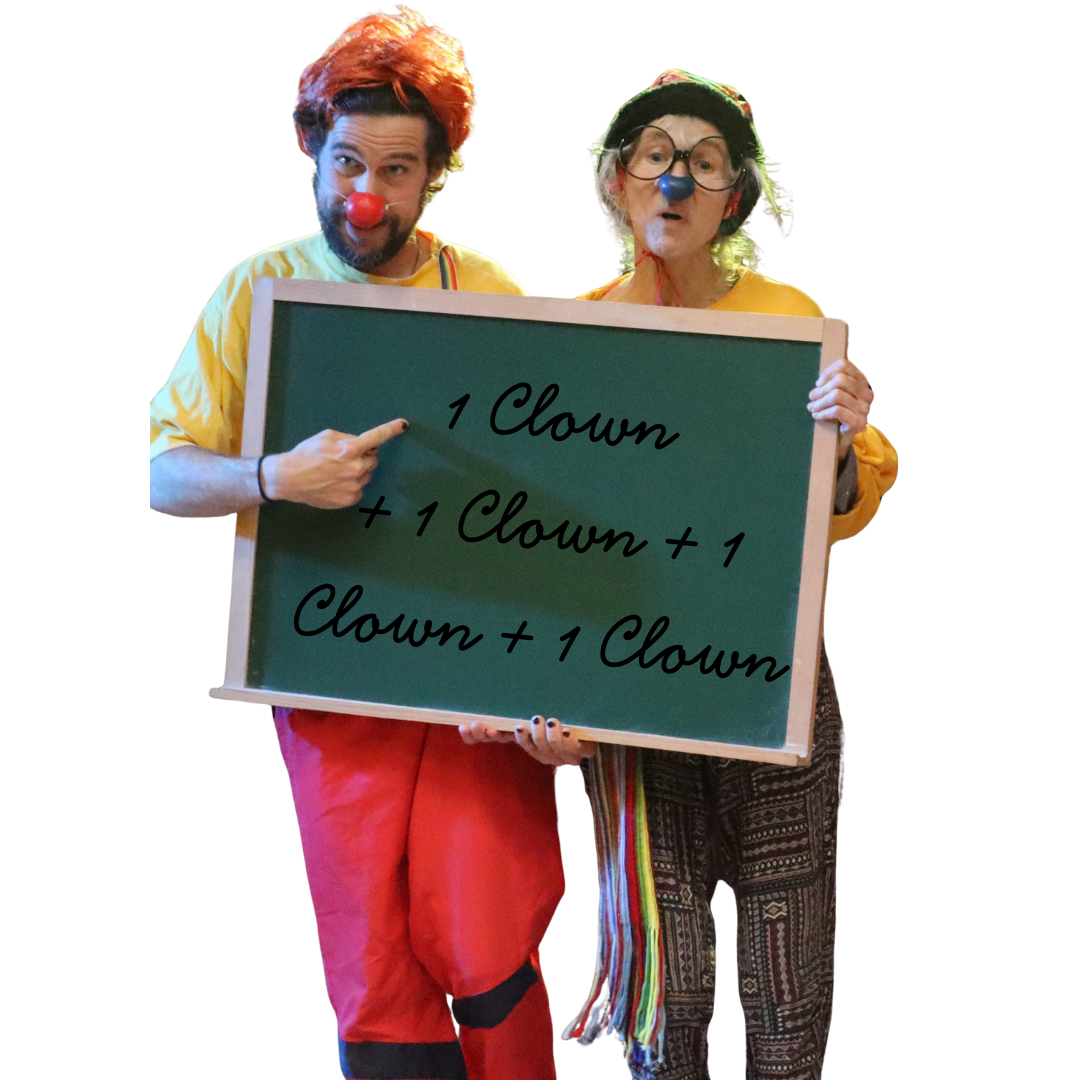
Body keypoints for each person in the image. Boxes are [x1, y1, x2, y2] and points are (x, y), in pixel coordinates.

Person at [149, 10, 565, 1079]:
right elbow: (160, 468)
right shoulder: (257, 290)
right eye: (345, 163)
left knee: (483, 938)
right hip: (332, 686)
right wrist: (270, 477)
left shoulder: (491, 294)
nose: (362, 195)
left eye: (394, 169)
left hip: (474, 698)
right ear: (312, 152)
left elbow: (560, 505)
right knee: (374, 970)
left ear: (435, 175)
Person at [465, 70, 897, 1080]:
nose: (674, 183)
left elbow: (843, 507)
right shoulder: (575, 336)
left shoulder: (788, 319)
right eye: (654, 157)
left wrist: (841, 439)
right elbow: (541, 538)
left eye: (701, 164)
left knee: (789, 955)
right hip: (634, 694)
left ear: (733, 197)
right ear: (617, 182)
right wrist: (548, 696)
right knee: (669, 977)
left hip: (767, 679)